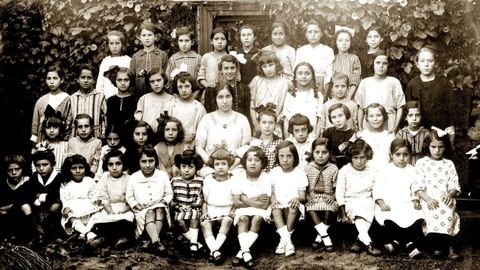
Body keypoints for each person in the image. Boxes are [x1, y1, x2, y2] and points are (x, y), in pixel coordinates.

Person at [413, 130, 461, 259]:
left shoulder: (448, 164)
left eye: (440, 147)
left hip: (445, 196)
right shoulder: (421, 163)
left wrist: (450, 194)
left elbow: (454, 184)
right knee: (432, 211)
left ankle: (450, 246)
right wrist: (427, 199)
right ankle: (437, 246)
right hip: (427, 197)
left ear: (445, 147)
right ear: (427, 146)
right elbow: (417, 187)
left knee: (447, 210)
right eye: (433, 147)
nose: (437, 150)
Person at [373, 139, 424, 259]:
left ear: (410, 155)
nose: (402, 158)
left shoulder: (413, 170)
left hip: (406, 202)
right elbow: (377, 188)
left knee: (415, 217)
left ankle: (400, 243)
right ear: (391, 155)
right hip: (389, 202)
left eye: (405, 154)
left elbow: (415, 187)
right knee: (389, 219)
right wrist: (381, 202)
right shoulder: (385, 170)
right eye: (398, 154)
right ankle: (407, 243)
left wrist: (416, 200)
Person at [335, 139, 381, 256]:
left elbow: (376, 191)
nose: (359, 161)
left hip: (367, 200)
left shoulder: (372, 170)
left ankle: (359, 241)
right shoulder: (345, 171)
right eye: (355, 158)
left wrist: (379, 202)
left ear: (368, 157)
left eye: (362, 157)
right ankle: (368, 243)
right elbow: (339, 193)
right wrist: (343, 213)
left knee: (368, 206)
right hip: (349, 201)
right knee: (359, 210)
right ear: (351, 158)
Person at [126, 146, 174, 256]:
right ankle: (156, 241)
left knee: (160, 209)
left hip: (159, 207)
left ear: (156, 161)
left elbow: (169, 194)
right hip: (143, 210)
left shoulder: (162, 175)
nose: (147, 165)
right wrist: (136, 205)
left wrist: (163, 201)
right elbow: (129, 197)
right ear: (138, 162)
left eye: (151, 161)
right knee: (150, 212)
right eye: (144, 161)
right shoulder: (134, 177)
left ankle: (152, 241)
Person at [406, 45, 456, 144]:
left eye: (430, 61)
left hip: (441, 129)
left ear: (436, 63)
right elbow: (408, 110)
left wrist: (451, 126)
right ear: (417, 64)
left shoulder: (444, 82)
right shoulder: (412, 84)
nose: (426, 64)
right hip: (419, 129)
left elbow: (451, 107)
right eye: (422, 61)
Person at [232, 146, 271, 268]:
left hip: (261, 210)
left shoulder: (266, 178)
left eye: (257, 160)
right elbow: (237, 202)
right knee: (243, 218)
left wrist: (245, 198)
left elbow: (264, 205)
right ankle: (247, 254)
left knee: (257, 219)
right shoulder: (238, 177)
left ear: (262, 163)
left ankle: (241, 253)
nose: (253, 163)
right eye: (250, 160)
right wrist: (254, 200)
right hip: (242, 209)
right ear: (245, 162)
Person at [195, 82, 251, 166]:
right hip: (210, 167)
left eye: (228, 96)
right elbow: (199, 147)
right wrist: (210, 163)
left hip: (235, 167)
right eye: (220, 97)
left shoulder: (242, 119)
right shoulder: (206, 119)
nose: (225, 101)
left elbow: (246, 147)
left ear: (233, 98)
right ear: (215, 99)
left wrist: (233, 165)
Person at [270, 141, 308, 257]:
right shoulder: (274, 172)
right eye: (281, 156)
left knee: (293, 206)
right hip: (279, 203)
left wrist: (297, 198)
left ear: (294, 157)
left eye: (289, 156)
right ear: (277, 157)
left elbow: (303, 196)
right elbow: (271, 193)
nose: (285, 160)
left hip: (294, 204)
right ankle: (288, 242)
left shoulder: (299, 173)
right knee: (275, 209)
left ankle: (283, 241)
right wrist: (274, 200)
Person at [201, 147, 236, 265]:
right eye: (217, 164)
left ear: (229, 165)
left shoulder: (234, 179)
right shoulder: (208, 180)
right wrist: (204, 212)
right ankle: (216, 252)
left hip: (227, 209)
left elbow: (237, 199)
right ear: (213, 165)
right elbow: (205, 200)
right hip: (211, 209)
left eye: (224, 164)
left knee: (226, 221)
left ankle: (213, 251)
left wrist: (233, 210)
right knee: (205, 224)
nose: (220, 167)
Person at [355, 50, 405, 133]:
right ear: (373, 64)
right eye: (378, 63)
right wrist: (360, 127)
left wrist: (395, 128)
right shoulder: (365, 82)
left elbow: (400, 106)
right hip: (369, 123)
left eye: (384, 63)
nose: (381, 66)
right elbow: (360, 107)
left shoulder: (394, 82)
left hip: (389, 123)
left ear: (388, 65)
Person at [94, 150, 135, 249]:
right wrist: (111, 212)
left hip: (125, 207)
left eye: (118, 164)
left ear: (123, 164)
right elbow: (104, 199)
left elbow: (131, 198)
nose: (114, 167)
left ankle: (122, 239)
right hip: (110, 208)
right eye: (110, 164)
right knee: (101, 218)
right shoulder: (104, 179)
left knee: (126, 219)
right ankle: (102, 239)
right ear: (106, 166)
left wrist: (122, 211)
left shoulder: (129, 179)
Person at [59, 154, 103, 246]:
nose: (78, 171)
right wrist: (66, 207)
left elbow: (94, 194)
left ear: (85, 168)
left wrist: (95, 200)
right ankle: (88, 233)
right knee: (71, 216)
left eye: (81, 167)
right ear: (68, 170)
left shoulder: (89, 180)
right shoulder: (65, 184)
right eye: (74, 168)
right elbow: (64, 198)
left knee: (98, 213)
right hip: (74, 207)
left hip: (88, 205)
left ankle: (83, 233)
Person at [304, 138, 338, 251]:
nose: (320, 156)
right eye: (317, 152)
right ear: (312, 153)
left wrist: (332, 198)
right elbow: (305, 188)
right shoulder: (307, 169)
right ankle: (326, 237)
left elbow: (336, 188)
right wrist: (308, 199)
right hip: (312, 197)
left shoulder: (333, 168)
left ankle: (319, 237)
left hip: (328, 196)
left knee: (330, 209)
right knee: (311, 209)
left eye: (324, 152)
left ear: (330, 153)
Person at [170, 150, 204, 256]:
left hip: (193, 208)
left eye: (190, 167)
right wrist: (177, 206)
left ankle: (193, 245)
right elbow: (171, 197)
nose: (186, 170)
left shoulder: (200, 181)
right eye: (184, 166)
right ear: (179, 166)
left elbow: (200, 196)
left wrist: (194, 205)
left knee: (194, 216)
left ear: (196, 168)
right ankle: (195, 243)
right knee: (180, 221)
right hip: (179, 208)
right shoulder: (175, 181)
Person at [27, 150, 63, 244]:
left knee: (56, 205)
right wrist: (39, 197)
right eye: (38, 165)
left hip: (53, 207)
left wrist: (40, 196)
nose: (41, 168)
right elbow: (28, 193)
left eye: (45, 164)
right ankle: (37, 233)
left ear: (52, 164)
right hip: (37, 206)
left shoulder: (59, 178)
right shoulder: (35, 177)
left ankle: (52, 235)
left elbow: (57, 195)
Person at [249, 50, 289, 133]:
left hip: (276, 125)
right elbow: (252, 103)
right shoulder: (257, 80)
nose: (268, 69)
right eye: (264, 66)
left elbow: (285, 108)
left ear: (276, 65)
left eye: (271, 65)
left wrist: (274, 123)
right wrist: (256, 124)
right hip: (259, 125)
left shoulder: (284, 83)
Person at [204, 55, 251, 124]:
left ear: (237, 69)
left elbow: (247, 113)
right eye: (226, 68)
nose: (229, 71)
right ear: (221, 70)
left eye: (232, 68)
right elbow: (209, 113)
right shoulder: (212, 89)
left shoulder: (244, 89)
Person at [31, 65, 71, 143]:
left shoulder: (67, 99)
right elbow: (35, 125)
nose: (51, 82)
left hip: (62, 141)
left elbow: (69, 121)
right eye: (49, 78)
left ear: (62, 80)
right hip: (43, 140)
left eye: (55, 78)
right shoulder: (41, 101)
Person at [282, 62, 323, 138]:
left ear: (312, 76)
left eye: (307, 73)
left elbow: (319, 120)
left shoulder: (318, 95)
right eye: (300, 73)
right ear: (295, 77)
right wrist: (288, 140)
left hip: (311, 137)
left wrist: (315, 141)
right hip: (293, 138)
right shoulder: (290, 95)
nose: (303, 76)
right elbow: (286, 120)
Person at [0, 155, 34, 244]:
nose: (14, 173)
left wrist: (7, 207)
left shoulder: (28, 182)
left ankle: (29, 239)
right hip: (8, 218)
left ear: (22, 169)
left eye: (17, 169)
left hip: (24, 216)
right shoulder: (3, 184)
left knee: (25, 207)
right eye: (10, 170)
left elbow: (26, 200)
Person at [295, 19, 334, 92]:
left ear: (321, 34)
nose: (313, 35)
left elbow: (329, 74)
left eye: (316, 32)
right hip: (303, 85)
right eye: (310, 32)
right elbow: (296, 71)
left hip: (321, 85)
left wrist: (325, 93)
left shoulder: (327, 50)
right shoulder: (301, 51)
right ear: (306, 34)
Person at [129, 22, 168, 95]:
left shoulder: (162, 55)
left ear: (156, 37)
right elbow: (131, 77)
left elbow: (166, 76)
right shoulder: (136, 57)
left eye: (150, 35)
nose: (147, 38)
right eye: (144, 35)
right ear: (139, 37)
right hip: (139, 95)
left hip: (160, 94)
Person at [70, 64, 107, 139]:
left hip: (96, 138)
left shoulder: (100, 97)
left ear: (94, 80)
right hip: (76, 139)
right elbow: (68, 120)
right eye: (83, 77)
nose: (86, 80)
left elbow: (105, 119)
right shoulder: (72, 98)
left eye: (89, 78)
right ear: (78, 79)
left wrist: (103, 135)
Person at [169, 72, 206, 147]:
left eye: (187, 86)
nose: (184, 90)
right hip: (174, 144)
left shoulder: (198, 107)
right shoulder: (172, 105)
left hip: (192, 146)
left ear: (192, 87)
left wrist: (191, 147)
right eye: (180, 87)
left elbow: (202, 132)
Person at [197, 27, 231, 99]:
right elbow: (201, 76)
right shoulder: (206, 57)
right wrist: (207, 85)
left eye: (222, 39)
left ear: (227, 41)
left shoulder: (230, 58)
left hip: (226, 93)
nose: (219, 42)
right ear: (211, 41)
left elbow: (237, 77)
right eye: (216, 39)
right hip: (210, 93)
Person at [96, 30, 131, 99]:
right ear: (108, 45)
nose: (114, 46)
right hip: (107, 97)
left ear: (122, 44)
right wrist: (99, 98)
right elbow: (100, 82)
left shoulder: (127, 60)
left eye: (117, 43)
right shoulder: (105, 61)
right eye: (111, 43)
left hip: (124, 97)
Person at [359, 103, 395, 169]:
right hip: (366, 173)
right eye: (371, 116)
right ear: (367, 118)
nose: (375, 119)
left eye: (378, 115)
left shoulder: (390, 136)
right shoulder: (362, 136)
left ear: (384, 116)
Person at [247, 106, 281, 172]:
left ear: (275, 124)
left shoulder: (279, 142)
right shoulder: (253, 141)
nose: (267, 126)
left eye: (271, 123)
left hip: (273, 175)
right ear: (259, 123)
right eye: (264, 122)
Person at [395, 101, 430, 165]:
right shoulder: (400, 134)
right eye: (410, 115)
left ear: (421, 116)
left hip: (423, 167)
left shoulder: (426, 133)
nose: (414, 118)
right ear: (405, 117)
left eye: (417, 115)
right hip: (406, 167)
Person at [105, 66, 138, 134]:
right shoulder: (110, 100)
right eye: (119, 80)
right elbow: (108, 122)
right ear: (114, 80)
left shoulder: (136, 100)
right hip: (113, 139)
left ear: (130, 80)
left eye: (126, 80)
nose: (123, 83)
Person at [322, 103, 356, 168]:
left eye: (340, 116)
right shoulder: (328, 133)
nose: (337, 120)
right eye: (333, 117)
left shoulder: (354, 135)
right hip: (330, 167)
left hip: (349, 167)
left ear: (346, 115)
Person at [332, 26, 361, 99]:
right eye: (340, 40)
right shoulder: (331, 58)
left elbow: (356, 78)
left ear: (351, 43)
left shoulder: (354, 58)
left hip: (349, 95)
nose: (344, 43)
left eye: (347, 40)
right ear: (335, 42)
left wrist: (349, 96)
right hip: (333, 96)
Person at [154, 113, 186, 178]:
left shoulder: (185, 148)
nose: (170, 133)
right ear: (162, 131)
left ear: (179, 131)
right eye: (167, 130)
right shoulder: (156, 148)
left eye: (174, 130)